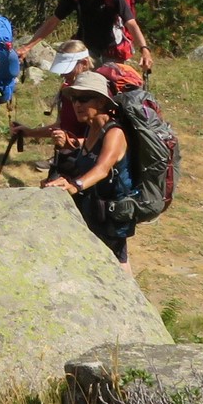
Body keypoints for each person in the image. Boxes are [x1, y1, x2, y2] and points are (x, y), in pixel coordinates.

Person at [42, 70, 136, 263]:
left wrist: (74, 186)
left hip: (113, 214)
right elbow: (84, 162)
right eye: (74, 98)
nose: (77, 104)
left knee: (118, 264)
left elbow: (102, 168)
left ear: (101, 102)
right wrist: (66, 151)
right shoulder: (91, 128)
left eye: (84, 99)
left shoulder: (114, 133)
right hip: (94, 209)